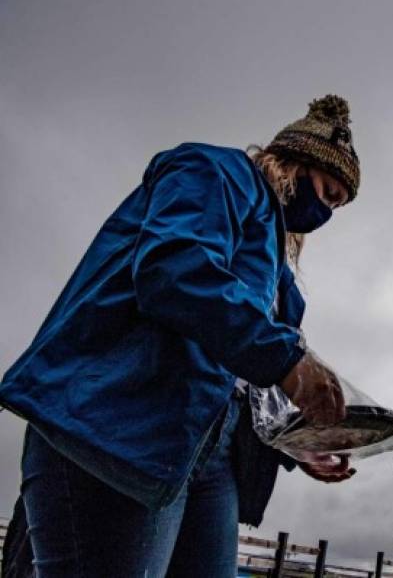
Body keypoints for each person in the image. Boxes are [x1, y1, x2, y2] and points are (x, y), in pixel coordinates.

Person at [0, 94, 361, 577]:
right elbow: (174, 269)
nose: (326, 211)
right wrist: (287, 360)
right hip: (119, 424)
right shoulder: (215, 171)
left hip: (209, 449)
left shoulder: (281, 283)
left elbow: (251, 382)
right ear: (296, 160)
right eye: (326, 191)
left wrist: (295, 442)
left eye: (337, 204)